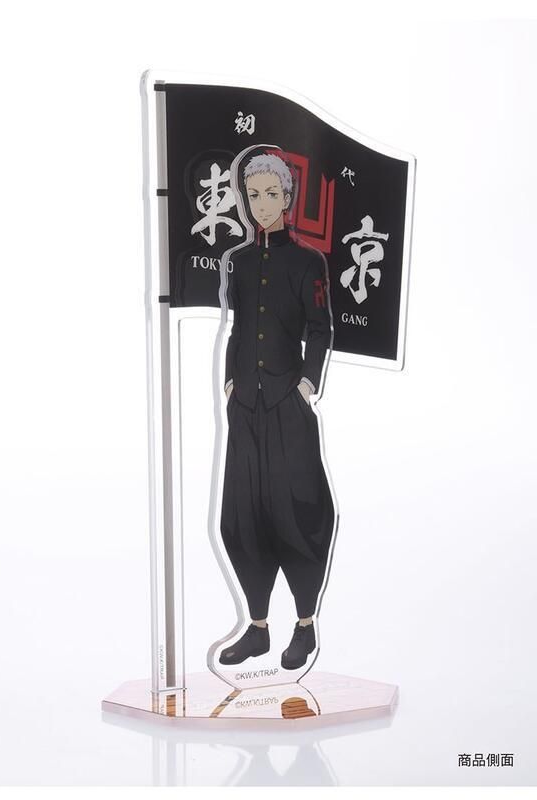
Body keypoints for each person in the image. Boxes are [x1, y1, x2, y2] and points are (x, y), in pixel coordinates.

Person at [219, 152, 335, 670]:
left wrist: (307, 384)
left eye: (272, 194)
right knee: (243, 516)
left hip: (290, 402)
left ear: (287, 198)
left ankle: (305, 624)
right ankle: (258, 627)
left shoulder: (310, 262)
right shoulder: (239, 262)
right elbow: (237, 328)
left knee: (299, 510)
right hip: (245, 405)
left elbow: (321, 328)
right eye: (253, 195)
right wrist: (229, 382)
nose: (262, 204)